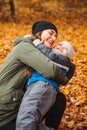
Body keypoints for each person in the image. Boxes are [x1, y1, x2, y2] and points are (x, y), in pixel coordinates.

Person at [0, 20, 71, 130]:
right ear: (39, 32)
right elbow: (51, 71)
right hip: (5, 113)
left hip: (18, 104)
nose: (53, 39)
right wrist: (64, 79)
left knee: (59, 98)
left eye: (55, 36)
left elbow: (65, 66)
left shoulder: (40, 51)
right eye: (51, 33)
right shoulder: (25, 47)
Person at [16, 34, 75, 129]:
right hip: (36, 85)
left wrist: (38, 44)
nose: (61, 47)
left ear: (69, 57)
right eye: (59, 45)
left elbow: (48, 54)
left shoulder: (64, 61)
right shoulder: (49, 55)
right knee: (31, 119)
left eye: (65, 49)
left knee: (26, 116)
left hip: (44, 85)